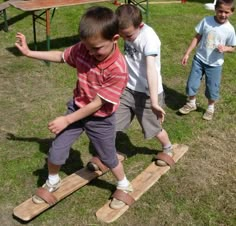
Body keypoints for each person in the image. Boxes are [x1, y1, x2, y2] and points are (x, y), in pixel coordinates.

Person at [15, 6, 133, 210]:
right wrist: (28, 53)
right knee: (56, 150)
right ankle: (53, 180)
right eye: (87, 47)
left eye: (96, 48)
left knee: (107, 156)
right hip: (76, 108)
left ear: (115, 39)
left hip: (100, 118)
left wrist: (66, 120)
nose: (89, 53)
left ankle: (124, 184)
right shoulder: (84, 48)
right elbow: (61, 56)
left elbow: (97, 103)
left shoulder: (118, 69)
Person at [114, 4, 174, 167]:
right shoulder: (126, 30)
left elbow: (151, 70)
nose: (125, 38)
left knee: (152, 127)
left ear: (140, 26)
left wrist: (154, 102)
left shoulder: (149, 39)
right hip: (127, 89)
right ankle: (110, 153)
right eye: (122, 35)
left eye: (128, 35)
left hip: (148, 93)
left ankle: (168, 148)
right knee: (113, 122)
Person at [179, 0, 236, 120]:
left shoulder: (230, 30)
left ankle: (210, 108)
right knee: (191, 83)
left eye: (226, 12)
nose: (223, 14)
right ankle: (191, 103)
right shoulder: (206, 21)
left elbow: (233, 48)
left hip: (215, 64)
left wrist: (225, 48)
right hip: (199, 59)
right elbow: (197, 37)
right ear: (215, 9)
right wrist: (187, 53)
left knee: (212, 88)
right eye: (220, 11)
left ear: (232, 12)